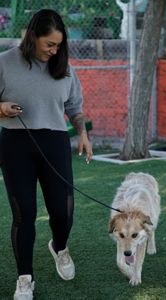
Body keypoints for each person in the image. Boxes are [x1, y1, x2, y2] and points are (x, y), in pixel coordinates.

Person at [0, 9, 92, 300]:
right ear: (32, 37)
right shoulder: (4, 62)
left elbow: (75, 109)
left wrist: (83, 133)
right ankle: (25, 277)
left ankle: (59, 247)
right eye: (49, 45)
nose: (54, 51)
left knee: (63, 212)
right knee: (24, 213)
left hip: (54, 142)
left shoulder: (64, 67)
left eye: (58, 45)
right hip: (15, 143)